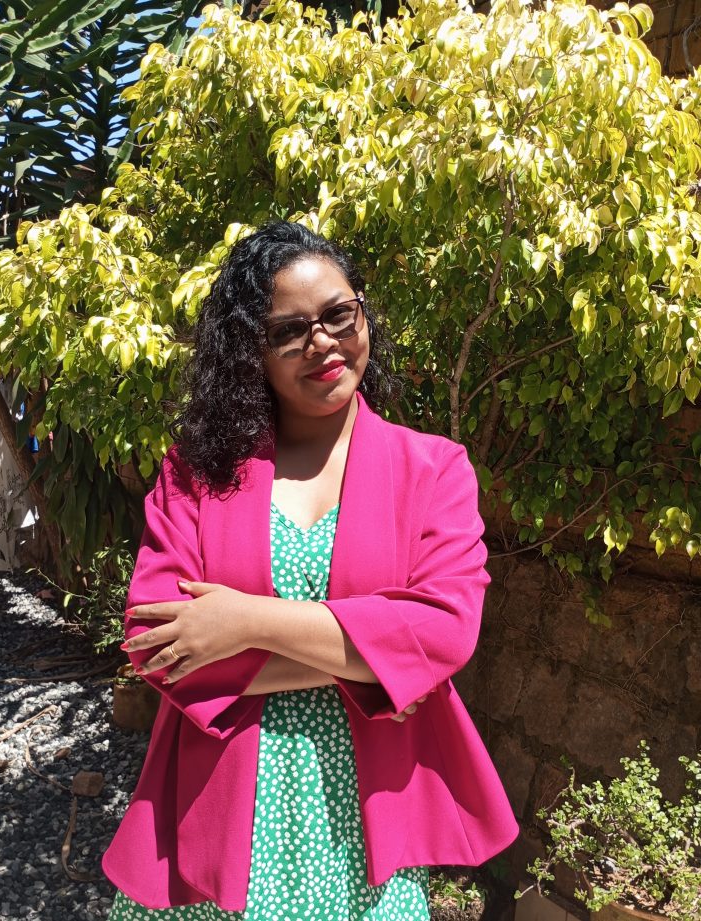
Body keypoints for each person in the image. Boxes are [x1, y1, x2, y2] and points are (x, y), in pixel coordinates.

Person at [102, 221, 518, 920]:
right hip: (216, 812)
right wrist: (377, 662)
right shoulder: (198, 474)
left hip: (363, 825)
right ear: (252, 352)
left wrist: (242, 622)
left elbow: (444, 632)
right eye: (289, 331)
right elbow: (155, 645)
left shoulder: (434, 470)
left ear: (363, 314)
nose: (322, 342)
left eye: (337, 315)